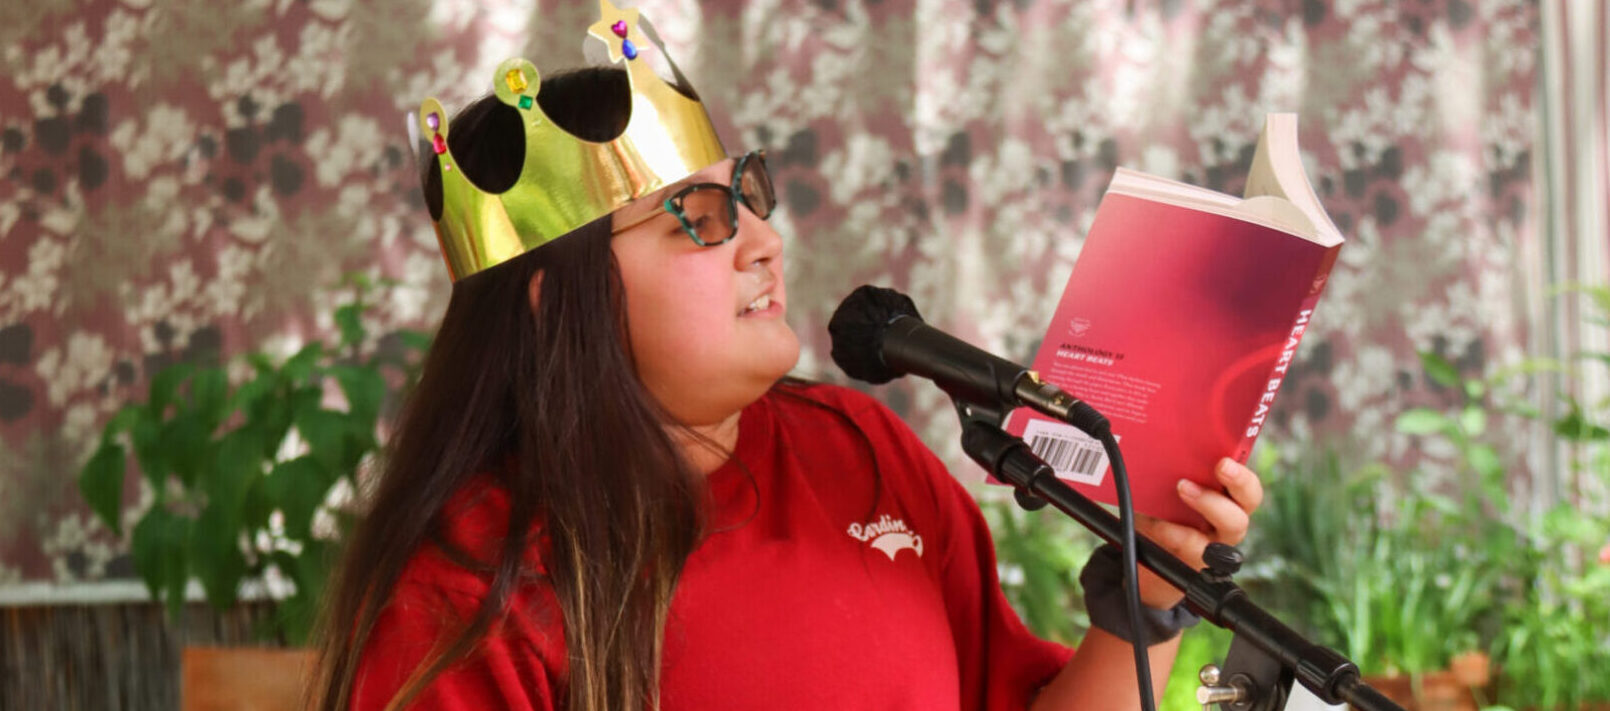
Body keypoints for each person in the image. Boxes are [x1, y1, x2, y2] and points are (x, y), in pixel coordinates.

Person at [306, 3, 1264, 710]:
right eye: (702, 219)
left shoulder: (858, 449)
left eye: (749, 197)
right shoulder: (465, 587)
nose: (764, 241)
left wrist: (1140, 604)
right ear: (561, 305)